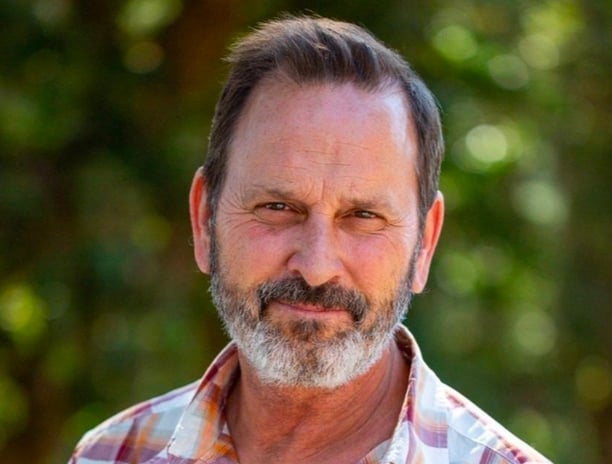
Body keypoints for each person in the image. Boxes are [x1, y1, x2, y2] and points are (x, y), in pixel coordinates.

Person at [69, 15, 551, 464]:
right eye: (278, 208)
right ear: (205, 219)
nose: (317, 267)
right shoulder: (111, 454)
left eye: (363, 216)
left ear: (424, 244)